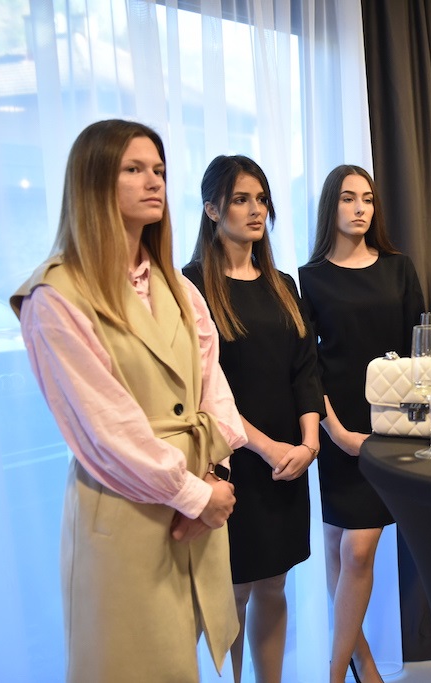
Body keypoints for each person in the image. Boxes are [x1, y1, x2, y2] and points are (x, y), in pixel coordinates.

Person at [10, 120, 247, 681]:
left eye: (159, 169)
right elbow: (105, 431)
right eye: (134, 169)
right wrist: (194, 495)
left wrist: (214, 475)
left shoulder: (176, 285)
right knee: (131, 664)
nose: (154, 181)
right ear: (92, 182)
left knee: (183, 659)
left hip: (196, 497)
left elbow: (211, 385)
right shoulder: (56, 297)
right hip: (127, 510)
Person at [183, 155, 324, 683]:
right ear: (212, 209)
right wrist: (267, 448)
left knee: (274, 585)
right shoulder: (190, 285)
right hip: (232, 463)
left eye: (261, 199)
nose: (255, 209)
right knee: (234, 592)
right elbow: (204, 389)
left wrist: (308, 444)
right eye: (241, 199)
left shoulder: (281, 281)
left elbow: (306, 368)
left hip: (288, 461)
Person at [299, 165, 425, 683]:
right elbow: (308, 366)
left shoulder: (399, 268)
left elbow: (423, 354)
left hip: (390, 427)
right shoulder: (309, 278)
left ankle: (336, 672)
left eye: (368, 199)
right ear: (331, 205)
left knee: (356, 549)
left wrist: (396, 427)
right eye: (348, 198)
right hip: (336, 428)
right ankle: (364, 664)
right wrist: (336, 433)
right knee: (337, 550)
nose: (360, 208)